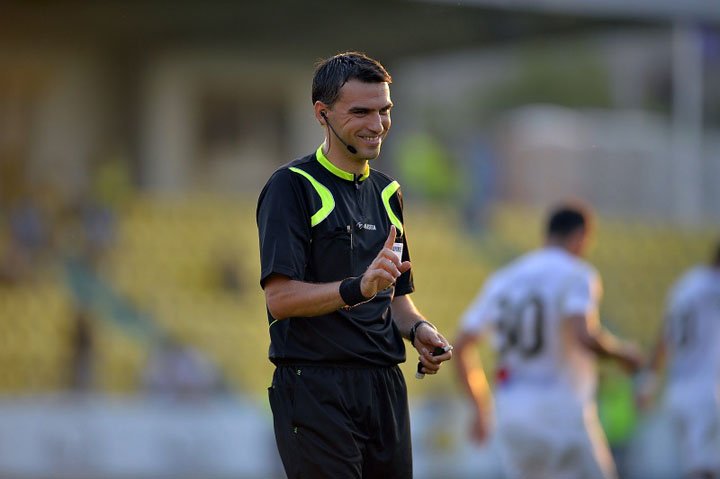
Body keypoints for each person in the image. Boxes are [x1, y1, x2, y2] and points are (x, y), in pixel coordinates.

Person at [256, 51, 453, 479]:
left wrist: (419, 330)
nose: (377, 124)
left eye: (385, 111)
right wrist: (356, 288)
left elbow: (396, 299)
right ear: (321, 114)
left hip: (384, 386)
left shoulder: (389, 192)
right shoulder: (291, 187)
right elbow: (280, 298)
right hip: (315, 387)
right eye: (361, 111)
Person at [453, 204, 643, 479]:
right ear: (581, 236)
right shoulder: (578, 274)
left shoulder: (503, 279)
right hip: (562, 410)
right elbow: (584, 334)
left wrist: (480, 407)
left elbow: (460, 347)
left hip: (513, 412)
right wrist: (623, 354)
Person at [636, 240, 720, 478]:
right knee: (706, 468)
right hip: (706, 392)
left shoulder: (685, 285)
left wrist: (648, 382)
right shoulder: (714, 287)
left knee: (694, 465)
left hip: (677, 391)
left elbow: (665, 336)